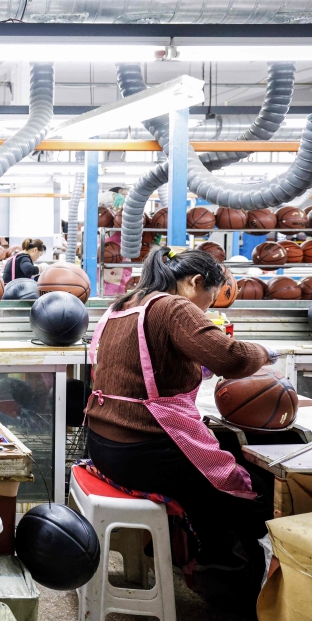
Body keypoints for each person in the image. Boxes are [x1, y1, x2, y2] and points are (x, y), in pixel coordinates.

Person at [86, 247, 277, 588]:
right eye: (210, 299)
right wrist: (264, 353)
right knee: (256, 491)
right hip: (143, 451)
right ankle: (255, 583)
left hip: (104, 445)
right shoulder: (174, 306)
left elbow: (146, 368)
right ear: (195, 282)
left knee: (219, 458)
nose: (206, 310)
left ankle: (213, 551)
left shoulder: (122, 306)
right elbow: (232, 359)